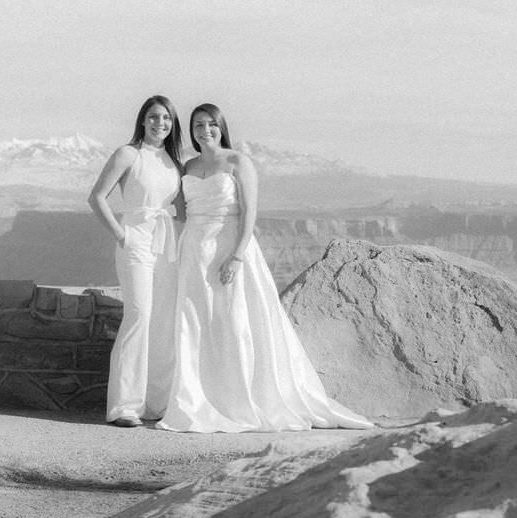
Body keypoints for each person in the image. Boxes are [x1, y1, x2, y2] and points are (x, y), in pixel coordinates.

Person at [157, 104, 374, 433]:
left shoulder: (238, 162)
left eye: (211, 124)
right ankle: (199, 398)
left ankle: (241, 400)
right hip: (194, 249)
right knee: (194, 322)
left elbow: (249, 213)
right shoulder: (189, 165)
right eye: (198, 125)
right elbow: (183, 214)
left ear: (221, 127)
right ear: (191, 130)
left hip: (229, 244)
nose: (205, 130)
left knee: (234, 321)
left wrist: (237, 255)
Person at [88, 95, 182, 427]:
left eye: (167, 119)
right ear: (142, 120)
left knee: (162, 322)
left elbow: (182, 207)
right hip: (136, 241)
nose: (160, 124)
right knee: (139, 315)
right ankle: (124, 407)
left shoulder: (173, 161)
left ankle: (156, 403)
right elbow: (97, 196)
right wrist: (121, 235)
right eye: (154, 117)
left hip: (166, 244)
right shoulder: (129, 154)